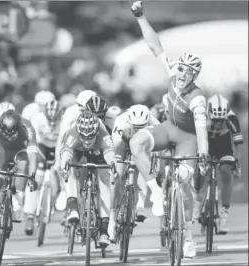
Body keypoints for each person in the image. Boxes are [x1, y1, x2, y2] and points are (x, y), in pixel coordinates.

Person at [130, 1, 209, 258]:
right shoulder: (173, 72)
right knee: (136, 143)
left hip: (188, 140)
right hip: (168, 128)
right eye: (183, 70)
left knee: (182, 183)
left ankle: (188, 237)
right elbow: (155, 45)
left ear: (195, 75)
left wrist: (204, 154)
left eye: (190, 72)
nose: (184, 75)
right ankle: (155, 190)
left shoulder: (197, 98)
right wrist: (141, 17)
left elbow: (201, 131)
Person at [0, 109, 38, 250]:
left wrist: (32, 176)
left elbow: (33, 155)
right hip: (2, 153)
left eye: (13, 131)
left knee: (24, 165)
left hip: (20, 152)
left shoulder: (27, 126)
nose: (10, 135)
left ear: (18, 125)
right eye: (6, 132)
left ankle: (18, 202)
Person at [59, 111, 118, 247]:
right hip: (76, 151)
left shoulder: (103, 134)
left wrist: (113, 167)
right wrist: (64, 166)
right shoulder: (72, 133)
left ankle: (104, 231)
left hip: (99, 152)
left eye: (90, 137)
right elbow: (66, 154)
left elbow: (110, 156)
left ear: (97, 133)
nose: (86, 140)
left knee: (105, 180)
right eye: (84, 137)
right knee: (69, 170)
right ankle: (73, 207)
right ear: (79, 133)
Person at [109, 104, 160, 240]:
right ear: (129, 121)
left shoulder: (155, 123)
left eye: (142, 126)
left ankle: (139, 204)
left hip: (144, 145)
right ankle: (112, 218)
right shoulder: (121, 121)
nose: (138, 130)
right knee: (118, 175)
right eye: (136, 127)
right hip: (123, 144)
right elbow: (114, 145)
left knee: (145, 169)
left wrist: (154, 167)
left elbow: (158, 150)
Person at [194, 94, 243, 233]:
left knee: (226, 171)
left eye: (221, 120)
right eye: (215, 120)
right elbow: (193, 137)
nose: (217, 123)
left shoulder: (232, 118)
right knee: (201, 170)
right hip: (206, 145)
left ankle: (224, 216)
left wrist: (236, 161)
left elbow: (238, 143)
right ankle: (197, 200)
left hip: (223, 146)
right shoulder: (201, 115)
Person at [23, 100, 64, 235]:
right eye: (50, 120)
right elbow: (32, 140)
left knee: (59, 175)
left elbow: (65, 143)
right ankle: (30, 214)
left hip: (57, 148)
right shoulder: (37, 119)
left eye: (55, 120)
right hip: (41, 147)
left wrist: (59, 162)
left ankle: (56, 202)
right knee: (36, 177)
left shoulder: (64, 120)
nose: (52, 123)